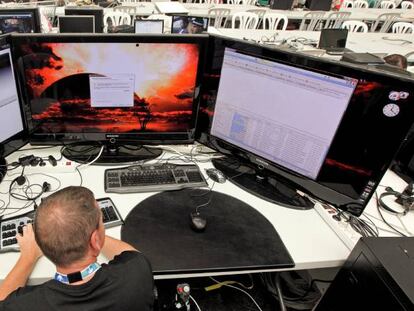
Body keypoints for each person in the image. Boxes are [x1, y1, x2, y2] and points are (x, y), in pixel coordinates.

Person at [0, 186, 154, 311]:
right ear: (95, 241)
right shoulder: (137, 271)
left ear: (40, 244)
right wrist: (88, 234)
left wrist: (28, 256)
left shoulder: (24, 305)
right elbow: (130, 254)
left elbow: (2, 300)